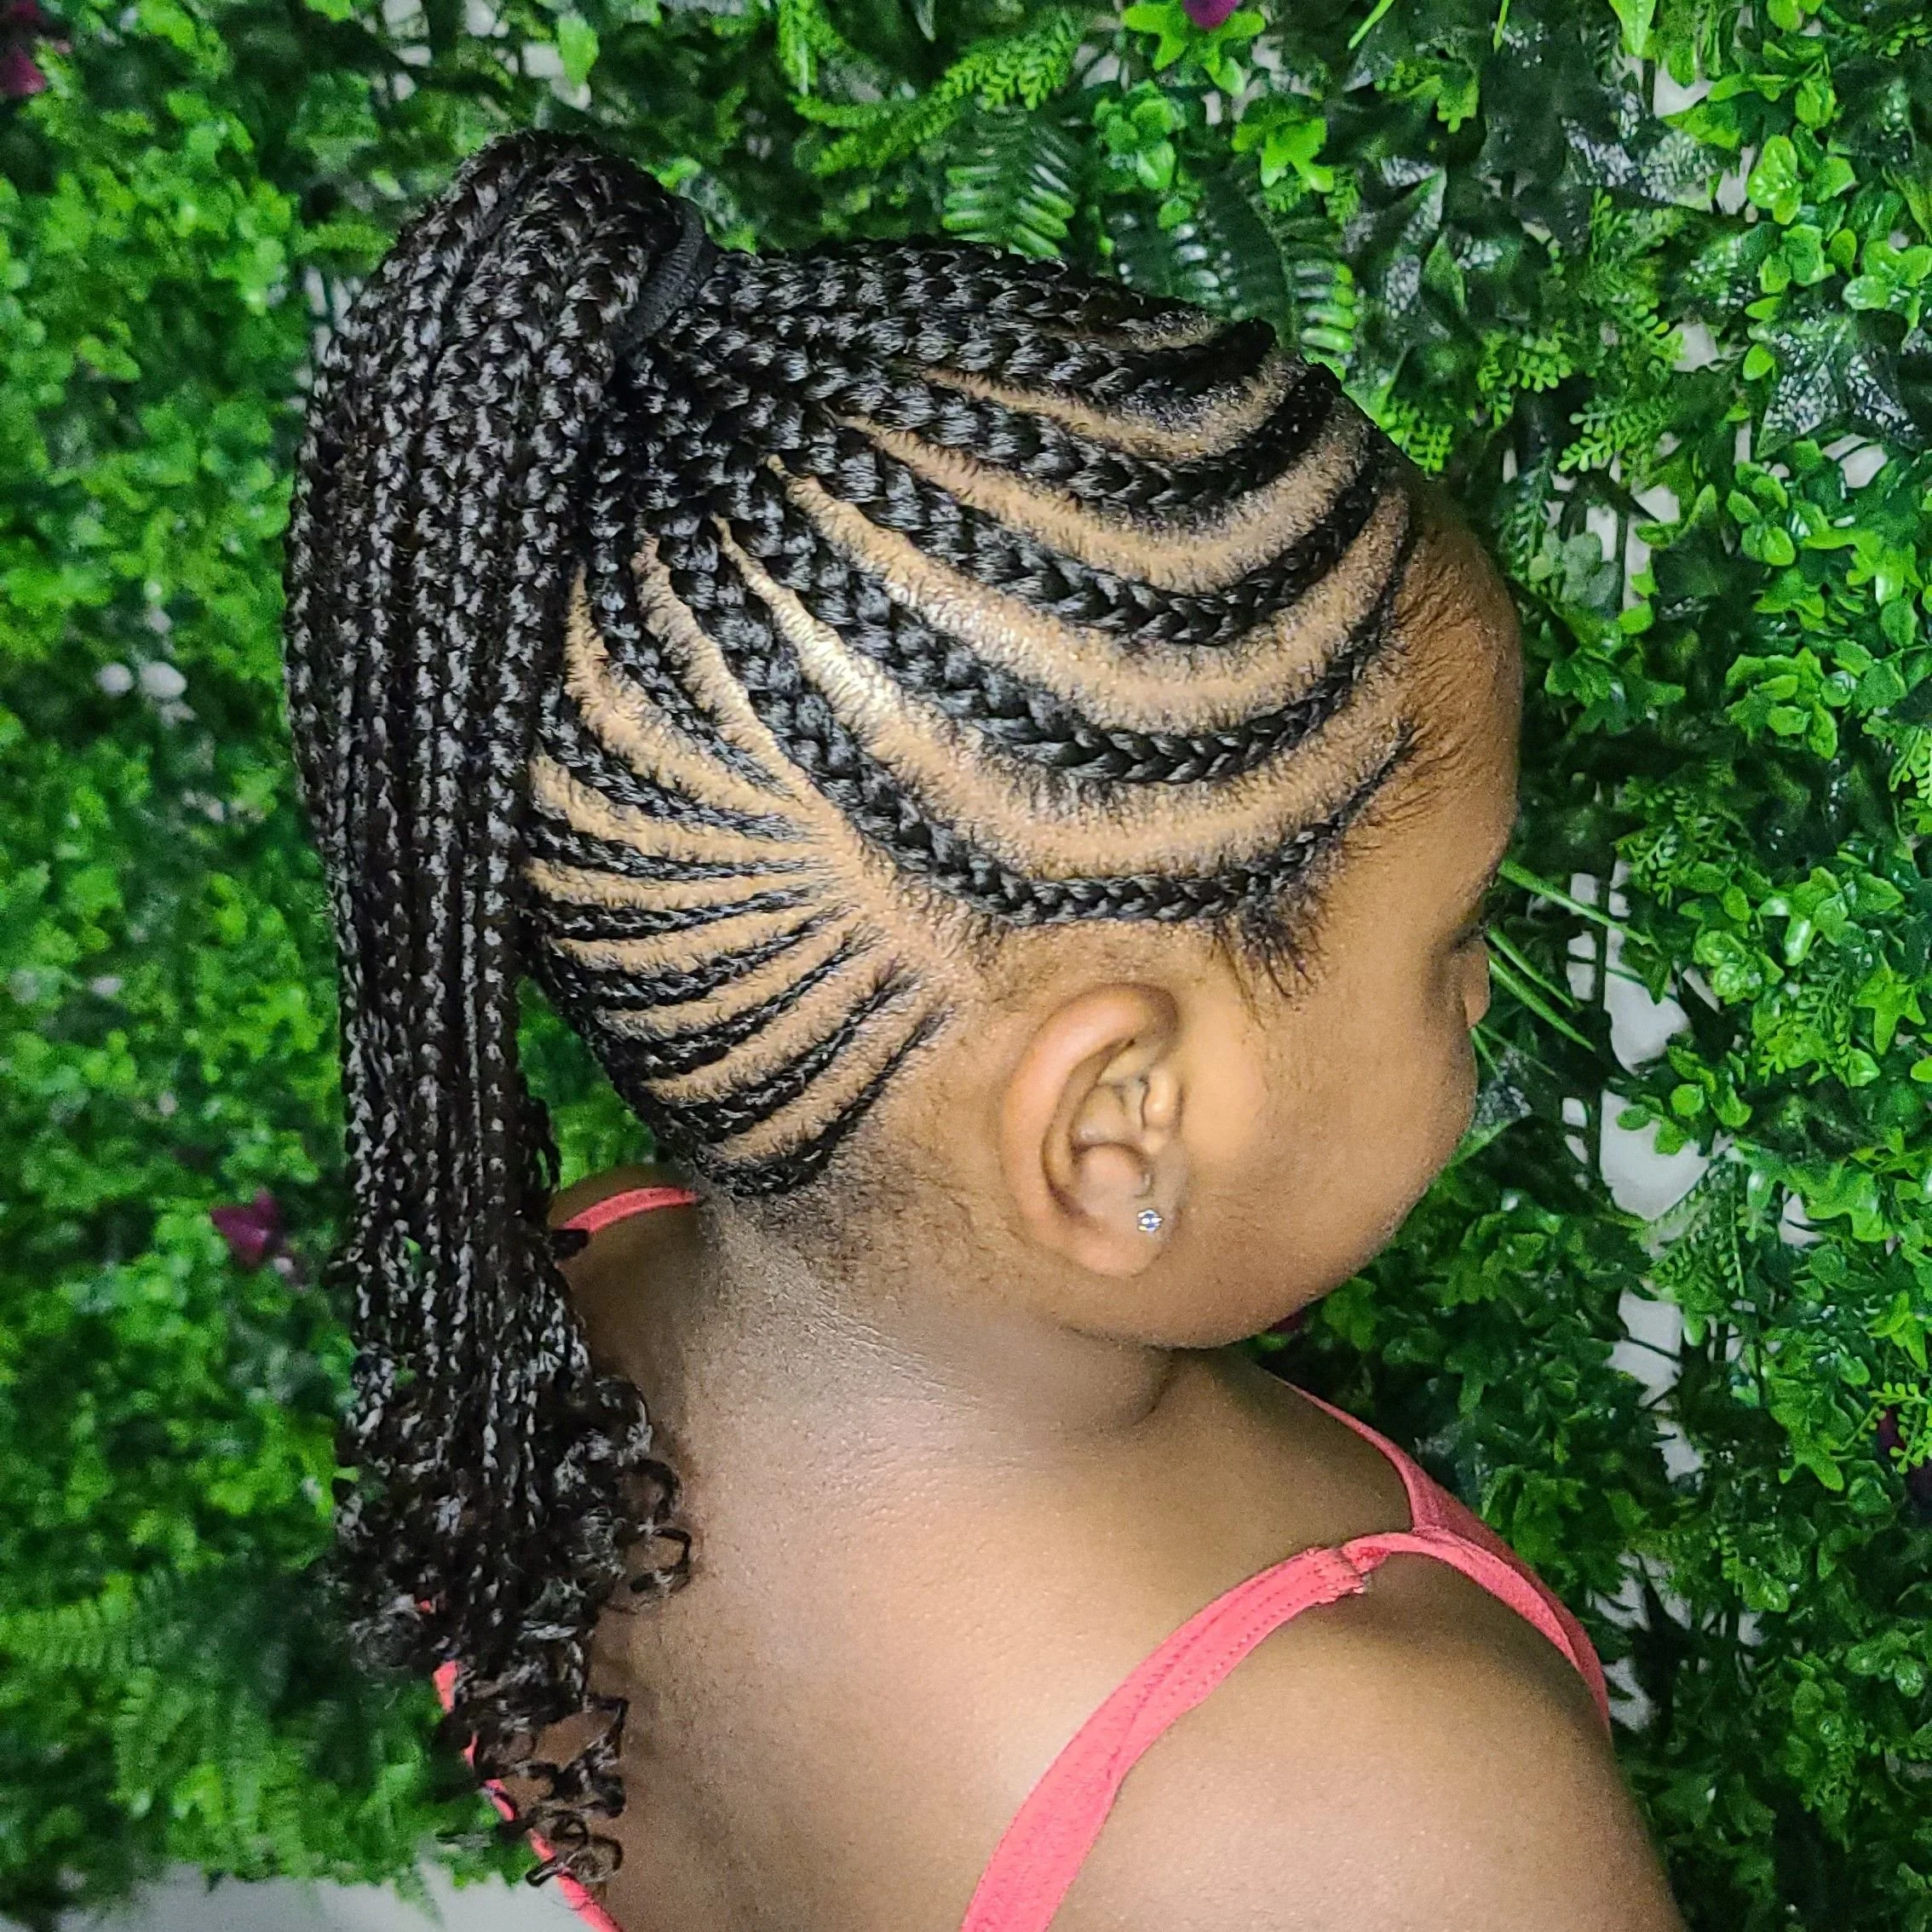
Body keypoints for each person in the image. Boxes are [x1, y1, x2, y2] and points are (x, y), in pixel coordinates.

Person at [283, 131, 1683, 1932]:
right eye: (1455, 930)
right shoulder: (1382, 1818)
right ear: (1118, 1129)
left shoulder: (563, 1315)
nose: (1483, 984)